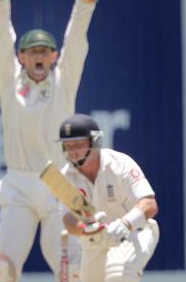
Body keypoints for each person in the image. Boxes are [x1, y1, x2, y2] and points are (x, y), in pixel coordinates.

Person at [0, 0, 107, 281]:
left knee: (74, 273)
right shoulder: (9, 82)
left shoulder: (64, 81)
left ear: (53, 57)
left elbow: (77, 37)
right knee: (1, 270)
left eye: (45, 51)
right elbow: (0, 38)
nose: (39, 56)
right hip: (19, 185)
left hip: (59, 186)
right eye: (32, 51)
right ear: (21, 57)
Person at [57, 114, 159, 282]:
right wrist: (86, 228)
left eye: (79, 144)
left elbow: (149, 204)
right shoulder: (65, 177)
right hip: (95, 239)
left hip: (133, 232)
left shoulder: (120, 163)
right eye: (68, 146)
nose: (73, 151)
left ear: (95, 142)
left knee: (118, 275)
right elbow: (68, 219)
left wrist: (125, 223)